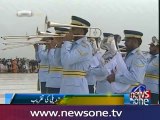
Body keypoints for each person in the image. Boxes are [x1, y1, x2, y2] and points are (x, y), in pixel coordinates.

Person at [60, 16, 92, 94]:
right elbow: (58, 63)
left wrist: (66, 42)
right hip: (66, 86)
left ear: (81, 30)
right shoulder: (72, 44)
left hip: (77, 88)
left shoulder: (85, 46)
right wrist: (58, 46)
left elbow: (66, 61)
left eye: (73, 29)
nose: (70, 31)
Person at [46, 27, 69, 93]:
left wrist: (52, 48)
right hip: (52, 80)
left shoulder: (66, 47)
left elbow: (54, 63)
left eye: (57, 36)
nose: (56, 38)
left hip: (58, 81)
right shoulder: (58, 47)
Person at [144, 36, 159, 104]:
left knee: (151, 111)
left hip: (153, 90)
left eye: (152, 46)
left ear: (157, 47)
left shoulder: (158, 58)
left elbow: (147, 69)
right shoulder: (150, 57)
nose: (149, 47)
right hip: (145, 88)